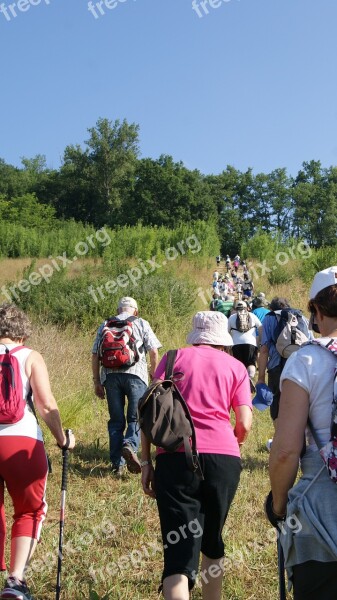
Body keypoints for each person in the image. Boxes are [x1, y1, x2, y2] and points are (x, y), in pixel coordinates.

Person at [140, 310, 252, 600]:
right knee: (212, 542)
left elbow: (149, 412)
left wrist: (145, 461)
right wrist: (234, 443)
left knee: (178, 555)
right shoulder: (235, 367)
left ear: (196, 336)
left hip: (175, 456)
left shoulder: (172, 358)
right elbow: (245, 422)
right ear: (222, 340)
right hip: (224, 459)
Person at [267, 266, 337, 599]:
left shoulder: (306, 361)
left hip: (321, 516)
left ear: (317, 312)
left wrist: (278, 506)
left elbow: (285, 451)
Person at [0, 304, 75, 600]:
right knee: (30, 510)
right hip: (22, 441)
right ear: (22, 332)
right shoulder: (30, 356)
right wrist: (61, 438)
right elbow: (45, 404)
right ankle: (15, 581)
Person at [92, 296, 161, 477]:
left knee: (116, 421)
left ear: (118, 310)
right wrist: (154, 376)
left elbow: (94, 355)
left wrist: (97, 382)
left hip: (110, 377)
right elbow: (154, 351)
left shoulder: (106, 324)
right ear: (135, 311)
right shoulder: (141, 323)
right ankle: (130, 445)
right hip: (136, 376)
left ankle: (117, 465)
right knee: (135, 418)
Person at [257, 297, 311, 424]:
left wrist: (260, 378)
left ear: (271, 308)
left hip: (277, 367)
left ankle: (279, 437)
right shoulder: (302, 318)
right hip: (300, 367)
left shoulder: (269, 319)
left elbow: (264, 350)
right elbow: (310, 345)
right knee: (298, 403)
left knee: (277, 404)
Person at [228, 300, 262, 392]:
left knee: (239, 364)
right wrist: (260, 341)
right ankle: (249, 377)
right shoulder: (252, 316)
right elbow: (260, 327)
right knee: (251, 363)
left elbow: (227, 332)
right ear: (246, 308)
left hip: (236, 344)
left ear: (236, 308)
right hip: (251, 343)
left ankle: (240, 383)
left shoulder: (232, 317)